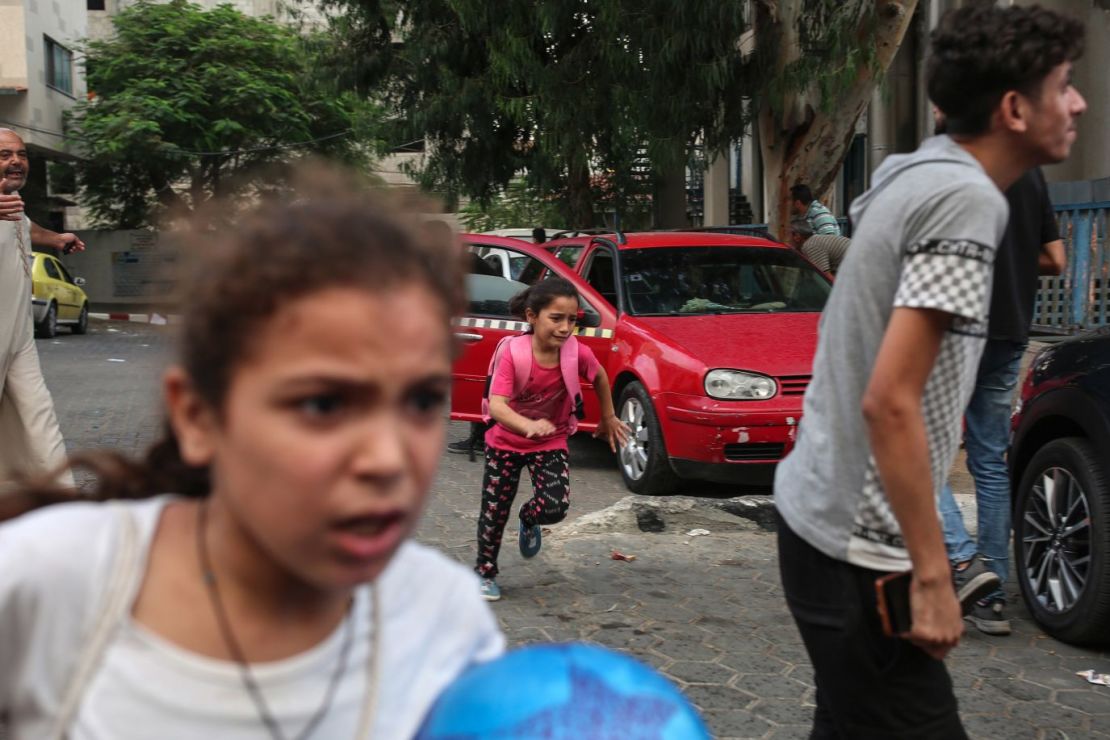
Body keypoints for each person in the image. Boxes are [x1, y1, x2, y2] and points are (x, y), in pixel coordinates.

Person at [0, 172, 505, 738]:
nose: (388, 460)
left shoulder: (443, 618)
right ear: (197, 416)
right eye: (322, 404)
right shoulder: (43, 583)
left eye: (421, 400)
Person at [773, 5, 1085, 737]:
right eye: (1064, 85)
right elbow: (891, 402)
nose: (1077, 103)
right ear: (1013, 107)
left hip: (820, 524)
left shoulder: (915, 175)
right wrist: (938, 576)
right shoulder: (962, 198)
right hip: (858, 551)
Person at [938, 162, 1066, 637]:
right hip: (1009, 330)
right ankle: (989, 599)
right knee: (990, 461)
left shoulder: (955, 165)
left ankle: (966, 563)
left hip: (953, 328)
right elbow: (1055, 259)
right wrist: (1009, 259)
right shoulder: (1030, 174)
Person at [474, 277, 628, 601]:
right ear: (532, 316)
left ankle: (529, 518)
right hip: (504, 442)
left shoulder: (577, 354)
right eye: (556, 318)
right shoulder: (513, 354)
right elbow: (498, 406)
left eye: (572, 320)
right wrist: (525, 425)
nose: (564, 327)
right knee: (494, 512)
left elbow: (599, 376)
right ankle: (485, 572)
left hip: (550, 440)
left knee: (555, 507)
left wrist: (608, 416)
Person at [0, 129, 85, 489]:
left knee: (38, 416)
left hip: (19, 336)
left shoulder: (13, 203)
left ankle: (57, 500)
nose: (15, 161)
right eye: (4, 154)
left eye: (20, 154)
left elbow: (24, 227)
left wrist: (55, 238)